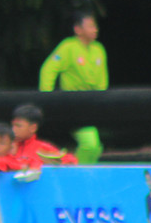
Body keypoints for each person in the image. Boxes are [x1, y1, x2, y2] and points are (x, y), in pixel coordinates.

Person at [38, 10, 107, 163]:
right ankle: (77, 172)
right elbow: (48, 69)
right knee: (90, 144)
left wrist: (102, 102)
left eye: (95, 26)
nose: (95, 29)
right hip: (73, 104)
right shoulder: (68, 47)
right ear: (78, 29)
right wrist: (47, 98)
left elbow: (103, 81)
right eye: (90, 26)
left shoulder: (99, 49)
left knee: (95, 147)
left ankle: (84, 175)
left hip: (92, 105)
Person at [7, 103, 79, 166]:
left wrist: (57, 163)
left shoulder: (42, 148)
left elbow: (70, 161)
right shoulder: (6, 146)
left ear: (33, 128)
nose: (13, 130)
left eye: (18, 126)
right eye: (13, 125)